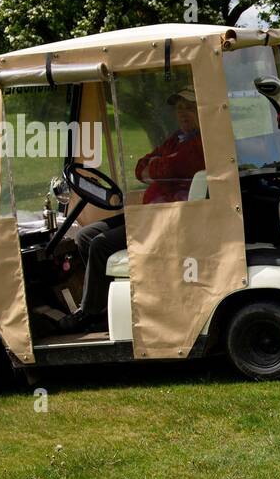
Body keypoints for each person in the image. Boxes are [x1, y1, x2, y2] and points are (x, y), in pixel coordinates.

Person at [57, 88, 205, 332]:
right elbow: (141, 167)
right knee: (85, 236)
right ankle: (100, 306)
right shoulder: (177, 139)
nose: (183, 113)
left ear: (201, 111)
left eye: (189, 107)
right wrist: (154, 166)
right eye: (179, 108)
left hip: (169, 218)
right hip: (153, 214)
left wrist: (155, 167)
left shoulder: (198, 143)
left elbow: (164, 169)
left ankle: (89, 312)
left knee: (100, 244)